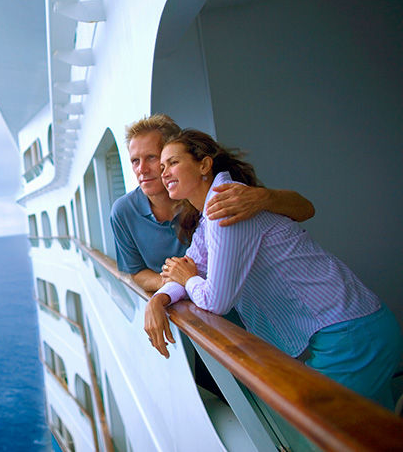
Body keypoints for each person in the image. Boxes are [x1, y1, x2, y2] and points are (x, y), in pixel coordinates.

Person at [148, 129, 401, 408]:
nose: (164, 173)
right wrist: (159, 299)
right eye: (162, 167)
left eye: (172, 162)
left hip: (351, 336)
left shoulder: (226, 208)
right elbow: (189, 264)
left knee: (321, 434)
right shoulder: (211, 216)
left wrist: (190, 279)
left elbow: (214, 300)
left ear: (205, 165)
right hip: (356, 327)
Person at [110, 114, 315, 295]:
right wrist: (168, 283)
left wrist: (263, 198)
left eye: (151, 158)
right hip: (192, 309)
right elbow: (135, 270)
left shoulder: (212, 195)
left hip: (255, 300)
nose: (141, 169)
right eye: (135, 161)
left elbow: (306, 209)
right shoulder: (123, 211)